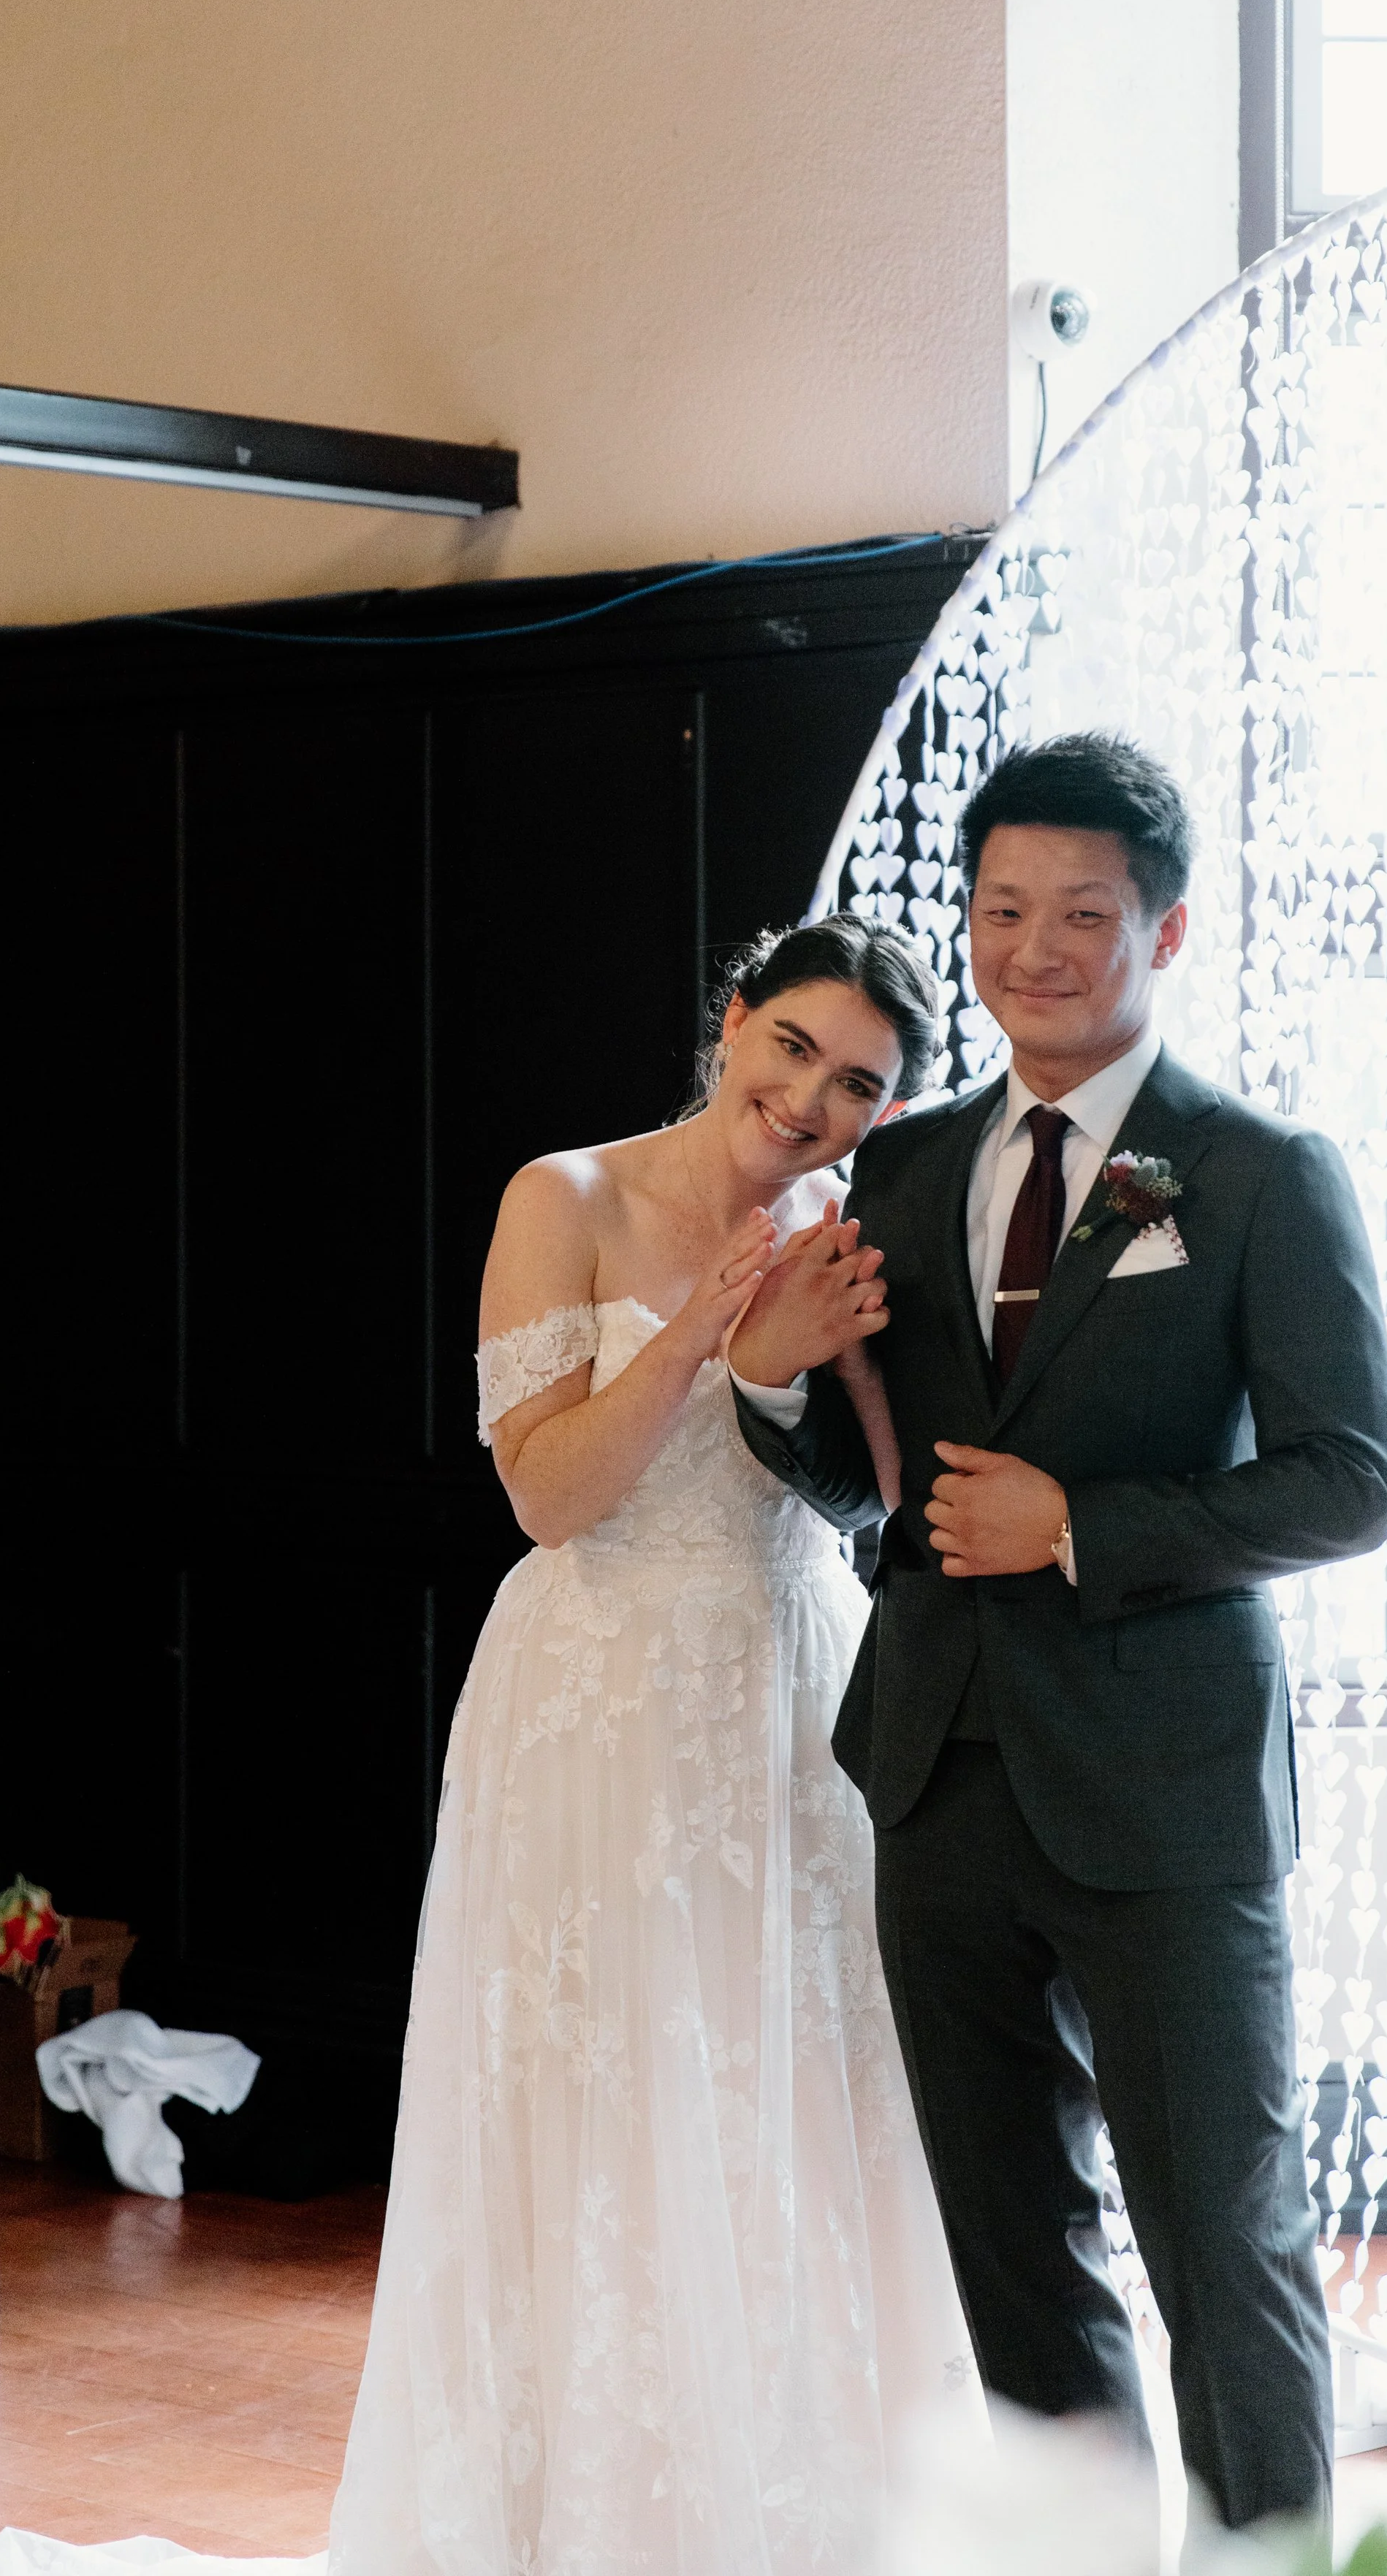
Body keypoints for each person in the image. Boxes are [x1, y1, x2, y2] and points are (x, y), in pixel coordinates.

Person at [727, 734, 1387, 2531]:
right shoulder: (903, 1161)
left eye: (1082, 913)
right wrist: (774, 1384)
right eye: (1002, 907)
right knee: (1016, 2246)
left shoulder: (1258, 1173)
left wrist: (1084, 1527)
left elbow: (1352, 1482)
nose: (1033, 947)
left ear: (1162, 933)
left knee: (1223, 2242)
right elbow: (873, 1496)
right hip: (939, 1772)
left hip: (1168, 1797)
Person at [328, 917, 978, 2576]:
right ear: (732, 1022)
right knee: (602, 2092)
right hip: (598, 1696)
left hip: (787, 1685)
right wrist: (706, 1333)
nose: (810, 1102)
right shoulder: (570, 1200)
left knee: (796, 2090)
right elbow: (547, 1495)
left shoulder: (851, 1232)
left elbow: (884, 1498)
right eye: (793, 1050)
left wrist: (831, 1364)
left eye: (857, 1088)